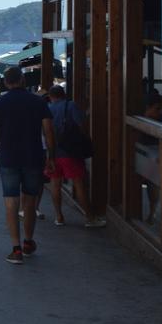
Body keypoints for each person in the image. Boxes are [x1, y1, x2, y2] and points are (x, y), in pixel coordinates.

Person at [0, 67, 55, 265]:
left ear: (6, 83)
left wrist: (2, 138)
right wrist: (51, 156)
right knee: (30, 201)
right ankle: (28, 242)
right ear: (23, 80)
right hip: (33, 156)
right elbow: (49, 131)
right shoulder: (38, 102)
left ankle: (15, 249)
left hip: (8, 156)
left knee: (11, 202)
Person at [46, 85, 106, 228]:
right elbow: (81, 125)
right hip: (70, 152)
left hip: (53, 152)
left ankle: (59, 217)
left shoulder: (48, 108)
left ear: (50, 97)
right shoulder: (71, 106)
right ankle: (90, 218)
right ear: (63, 94)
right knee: (79, 184)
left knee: (55, 184)